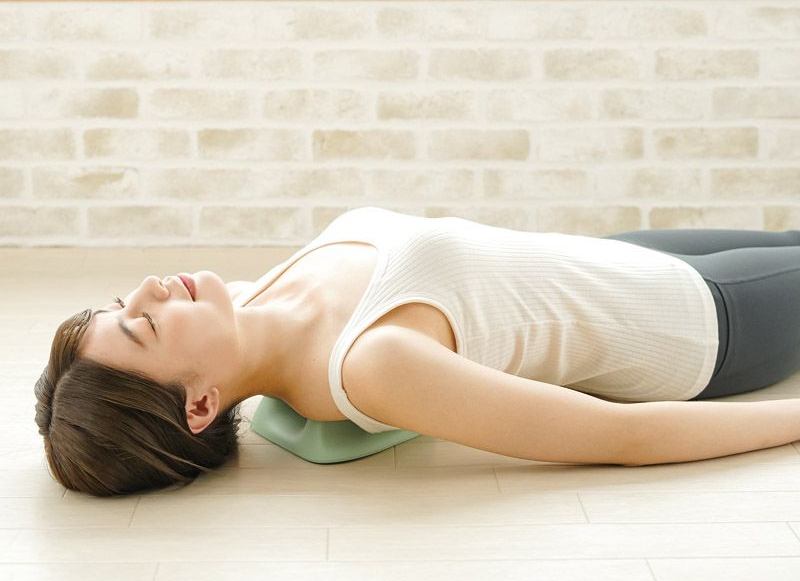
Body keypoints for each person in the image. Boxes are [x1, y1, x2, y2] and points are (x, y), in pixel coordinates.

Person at [34, 206, 800, 496]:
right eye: (143, 326)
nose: (146, 290)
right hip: (697, 321)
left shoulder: (248, 300)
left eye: (120, 306)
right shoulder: (372, 367)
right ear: (200, 403)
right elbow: (624, 436)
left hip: (621, 257)